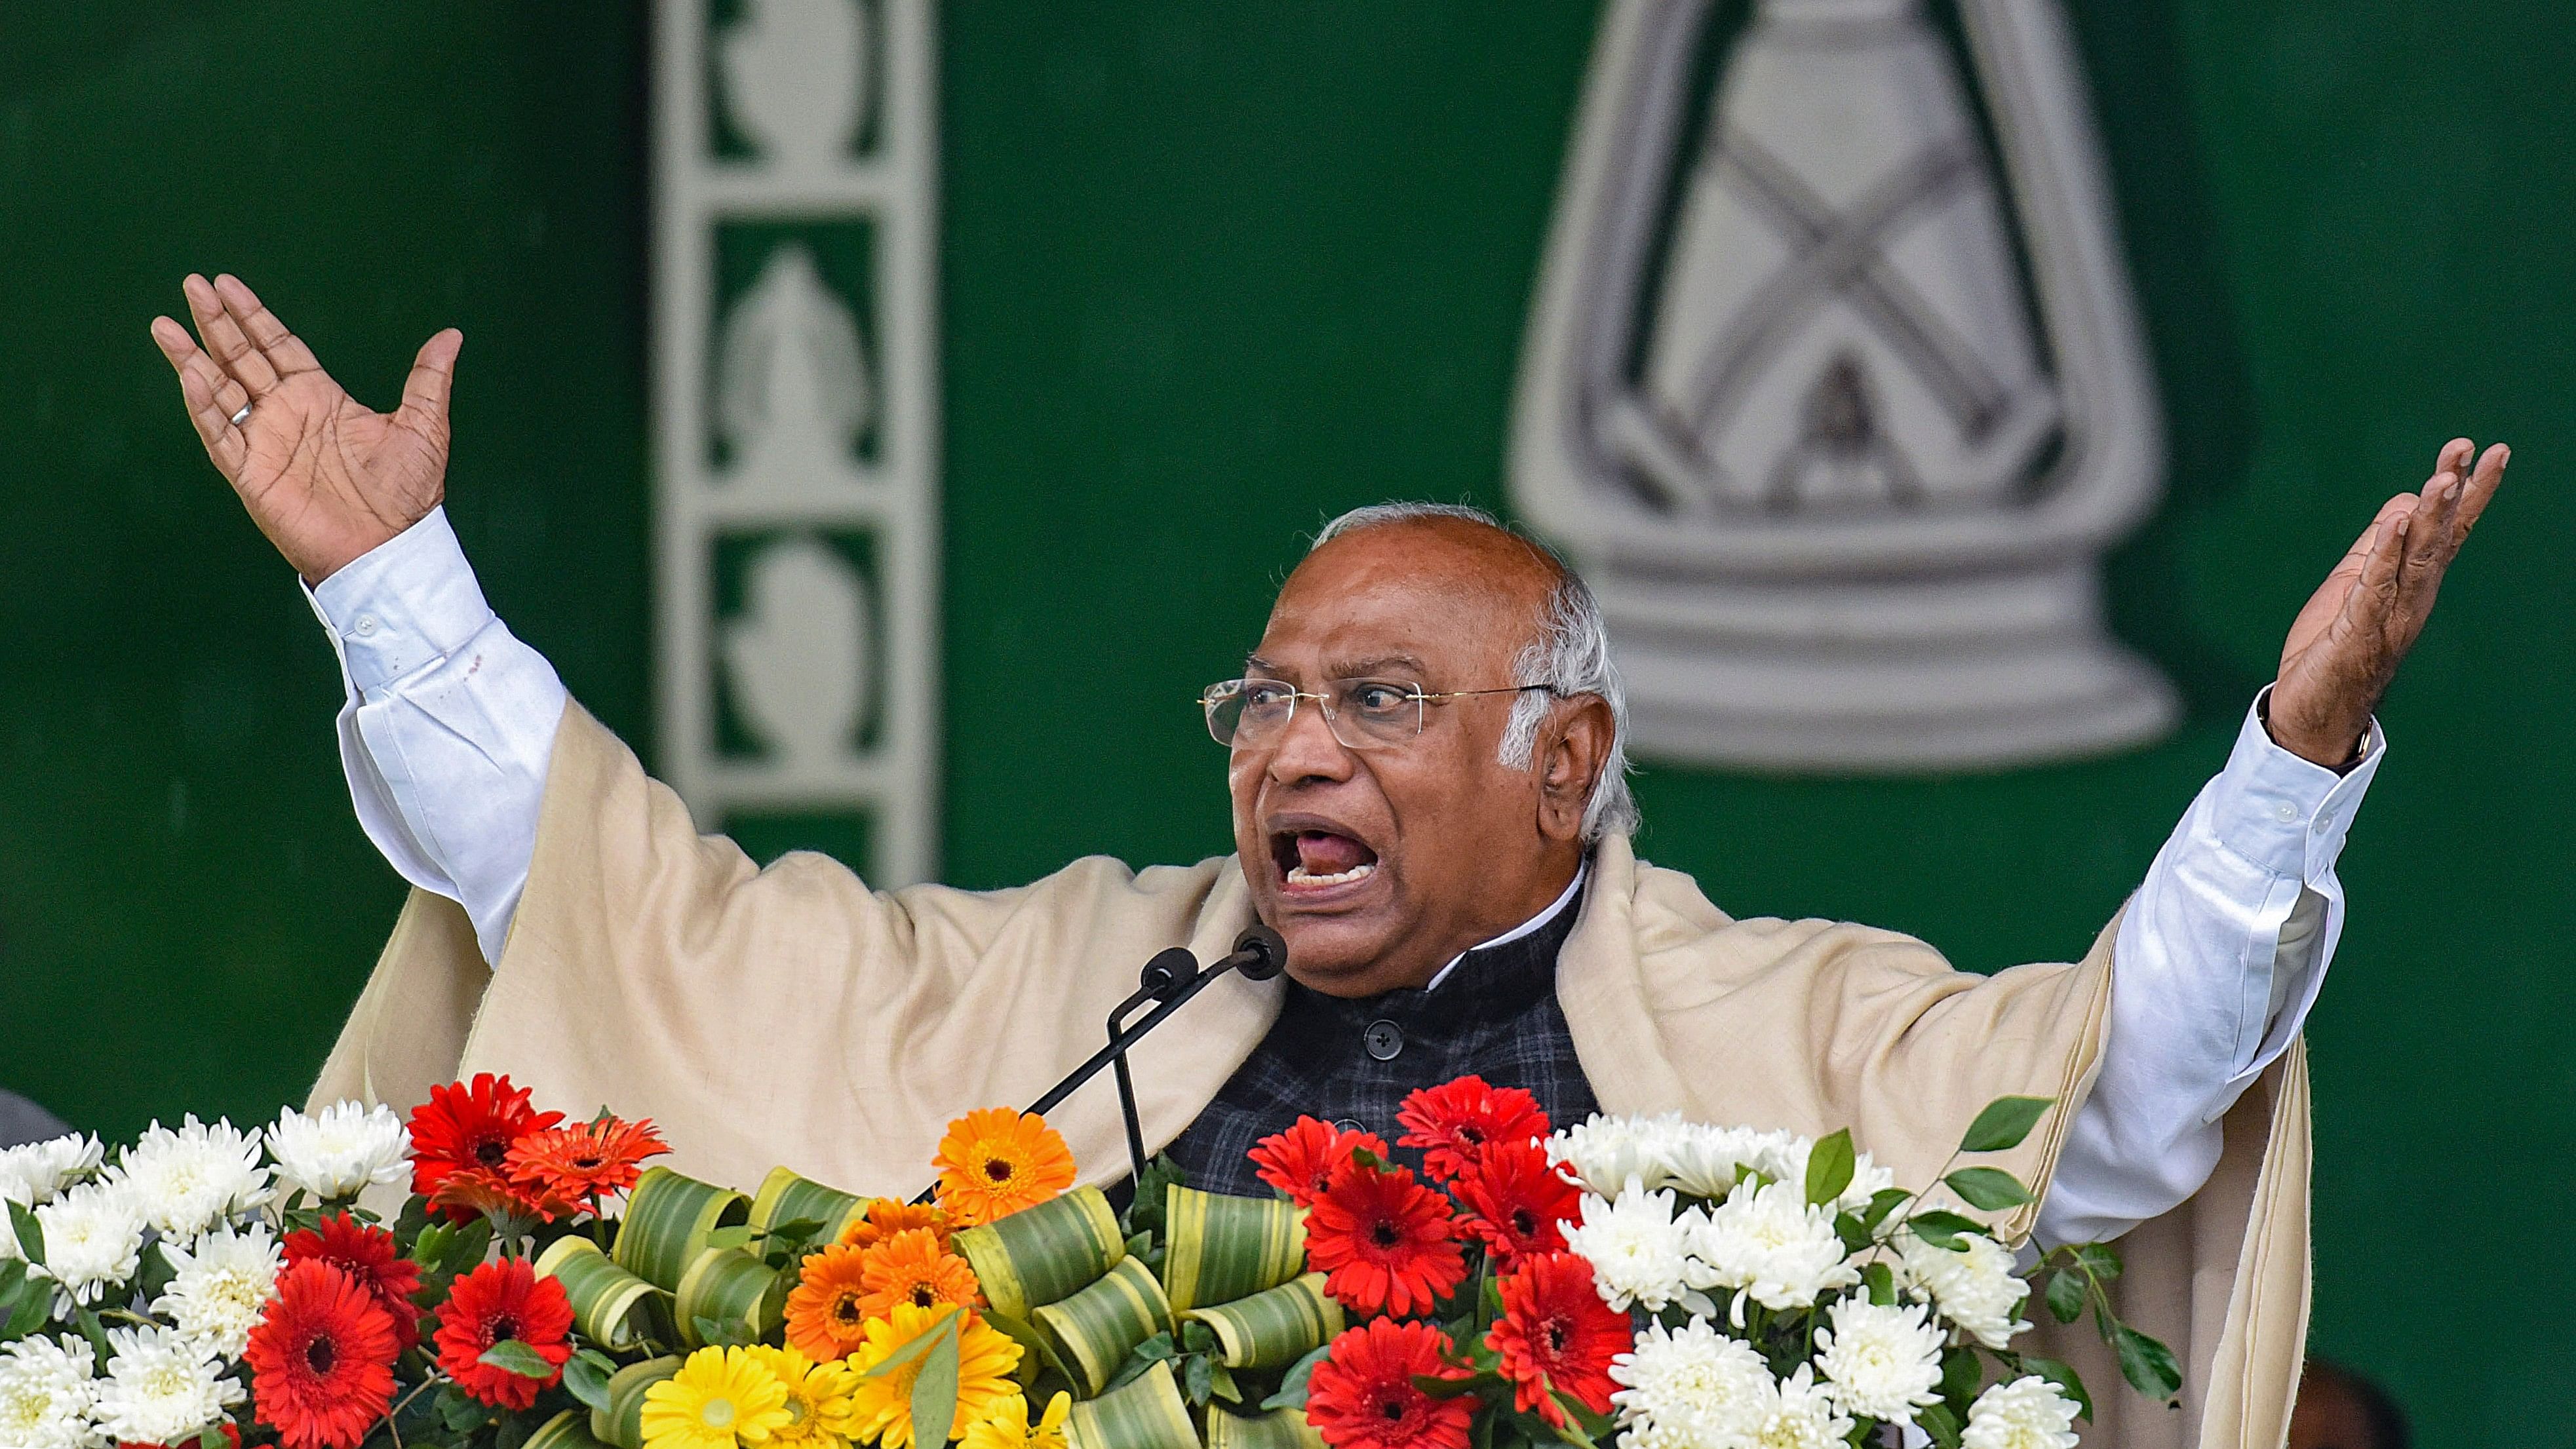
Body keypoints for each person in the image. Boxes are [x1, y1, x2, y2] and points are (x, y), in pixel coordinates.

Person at [153, 274, 2504, 1447]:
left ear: (1563, 759)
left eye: (1376, 703)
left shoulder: (1772, 1026)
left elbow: (2113, 1097)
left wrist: (2292, 756)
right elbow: (631, 921)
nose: (1296, 749)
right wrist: (395, 588)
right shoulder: (1073, 983)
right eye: (1265, 700)